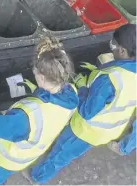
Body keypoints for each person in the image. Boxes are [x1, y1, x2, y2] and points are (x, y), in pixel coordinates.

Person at [0, 36, 77, 185]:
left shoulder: (29, 115)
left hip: (3, 159)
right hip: (25, 157)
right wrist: (38, 91)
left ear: (41, 77)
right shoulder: (71, 93)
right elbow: (52, 109)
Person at [30, 24, 136, 184]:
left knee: (61, 153)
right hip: (111, 129)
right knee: (66, 150)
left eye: (113, 45)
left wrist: (82, 88)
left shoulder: (110, 79)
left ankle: (37, 177)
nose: (111, 49)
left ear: (122, 50)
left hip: (87, 130)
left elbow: (87, 111)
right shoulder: (122, 74)